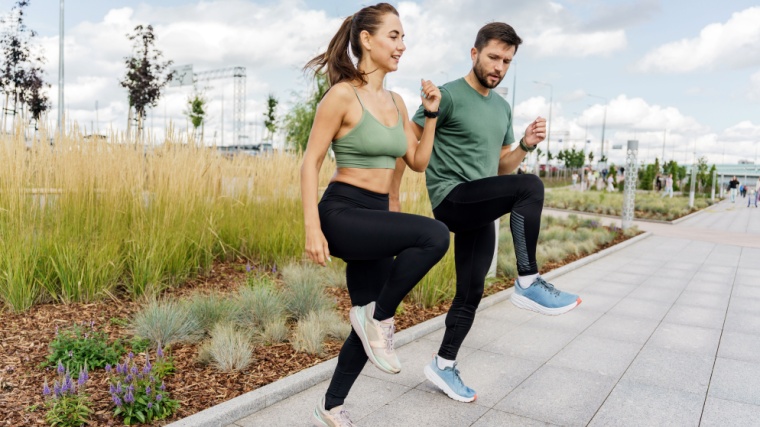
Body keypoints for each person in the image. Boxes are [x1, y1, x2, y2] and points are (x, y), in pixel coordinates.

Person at [402, 22, 581, 403]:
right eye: (494, 57)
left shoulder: (502, 107)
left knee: (471, 291)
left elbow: (502, 166)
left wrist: (525, 146)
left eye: (507, 61)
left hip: (478, 206)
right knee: (530, 186)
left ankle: (444, 364)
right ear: (474, 53)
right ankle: (529, 281)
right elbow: (409, 143)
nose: (499, 67)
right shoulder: (447, 95)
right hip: (452, 199)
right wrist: (391, 202)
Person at [300, 4, 449, 425]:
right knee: (435, 235)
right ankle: (377, 317)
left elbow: (418, 161)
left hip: (377, 214)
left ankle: (329, 407)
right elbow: (309, 162)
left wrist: (432, 113)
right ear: (367, 40)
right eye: (395, 36)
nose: (403, 45)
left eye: (403, 37)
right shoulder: (342, 95)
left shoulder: (397, 102)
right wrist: (313, 228)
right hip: (343, 212)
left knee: (367, 326)